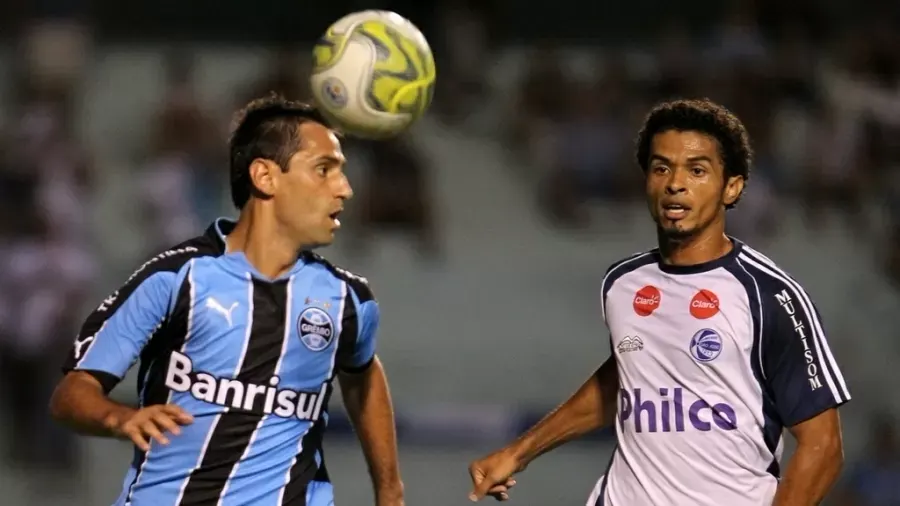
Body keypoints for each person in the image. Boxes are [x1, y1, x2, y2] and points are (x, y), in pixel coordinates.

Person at [467, 98, 851, 505]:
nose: (675, 183)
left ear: (732, 187)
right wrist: (518, 453)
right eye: (661, 167)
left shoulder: (768, 295)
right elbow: (629, 375)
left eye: (697, 170)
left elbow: (823, 446)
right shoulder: (623, 284)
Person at [49, 95, 405, 506]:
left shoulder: (347, 299)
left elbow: (363, 375)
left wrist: (390, 490)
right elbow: (72, 393)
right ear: (265, 177)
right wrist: (121, 417)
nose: (345, 189)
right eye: (324, 170)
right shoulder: (176, 278)